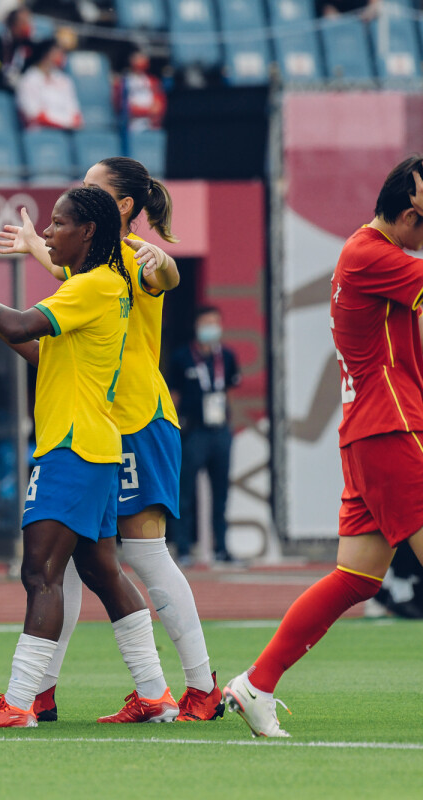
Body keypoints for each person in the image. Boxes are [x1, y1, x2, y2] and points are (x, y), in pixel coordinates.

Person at [0, 187, 176, 728]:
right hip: (94, 446)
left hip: (72, 448)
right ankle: (155, 693)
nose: (47, 233)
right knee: (101, 570)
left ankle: (19, 703)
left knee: (40, 570)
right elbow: (43, 350)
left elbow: (20, 323)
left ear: (88, 231)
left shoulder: (90, 285)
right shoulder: (102, 286)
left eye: (58, 223)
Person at [0, 157, 222, 722]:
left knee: (143, 553)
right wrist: (32, 246)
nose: (77, 198)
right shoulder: (95, 264)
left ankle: (200, 685)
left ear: (118, 208)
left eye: (90, 191)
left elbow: (163, 278)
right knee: (72, 562)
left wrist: (166, 265)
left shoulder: (128, 257)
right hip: (105, 420)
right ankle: (45, 693)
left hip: (135, 419)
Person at [224, 157, 423, 738]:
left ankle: (256, 683)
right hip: (390, 427)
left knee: (357, 578)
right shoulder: (371, 254)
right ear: (411, 216)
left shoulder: (372, 253)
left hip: (371, 429)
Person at [168, 307, 241, 563]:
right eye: (206, 322)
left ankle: (221, 548)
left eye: (215, 323)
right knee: (184, 491)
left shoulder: (228, 357)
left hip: (219, 431)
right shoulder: (181, 357)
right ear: (197, 326)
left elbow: (230, 389)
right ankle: (184, 548)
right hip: (193, 431)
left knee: (221, 492)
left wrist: (227, 423)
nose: (211, 327)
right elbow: (174, 396)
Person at [16, 39, 82, 130]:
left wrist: (67, 123)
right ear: (46, 54)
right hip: (40, 134)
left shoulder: (64, 80)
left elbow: (75, 114)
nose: (61, 56)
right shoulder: (28, 80)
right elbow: (34, 115)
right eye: (57, 52)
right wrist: (66, 123)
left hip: (66, 132)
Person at [115, 47, 166, 131]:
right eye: (137, 57)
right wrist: (145, 111)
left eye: (142, 57)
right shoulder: (124, 81)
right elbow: (122, 105)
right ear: (131, 60)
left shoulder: (153, 81)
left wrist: (153, 111)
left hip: (151, 124)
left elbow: (159, 104)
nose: (140, 60)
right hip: (131, 125)